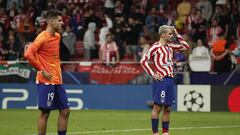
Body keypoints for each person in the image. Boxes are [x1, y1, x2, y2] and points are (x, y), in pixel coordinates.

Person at [24, 10, 70, 135]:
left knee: (65, 110)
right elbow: (28, 54)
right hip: (46, 80)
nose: (62, 23)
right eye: (59, 20)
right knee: (45, 112)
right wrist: (42, 70)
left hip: (57, 79)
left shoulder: (57, 36)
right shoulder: (42, 38)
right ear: (51, 21)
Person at [141, 25, 189, 135]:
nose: (172, 35)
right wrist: (153, 74)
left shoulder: (170, 46)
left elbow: (185, 46)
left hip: (170, 80)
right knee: (157, 107)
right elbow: (143, 61)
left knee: (167, 108)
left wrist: (176, 32)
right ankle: (155, 133)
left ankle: (165, 133)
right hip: (161, 81)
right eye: (170, 33)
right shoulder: (155, 47)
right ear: (163, 35)